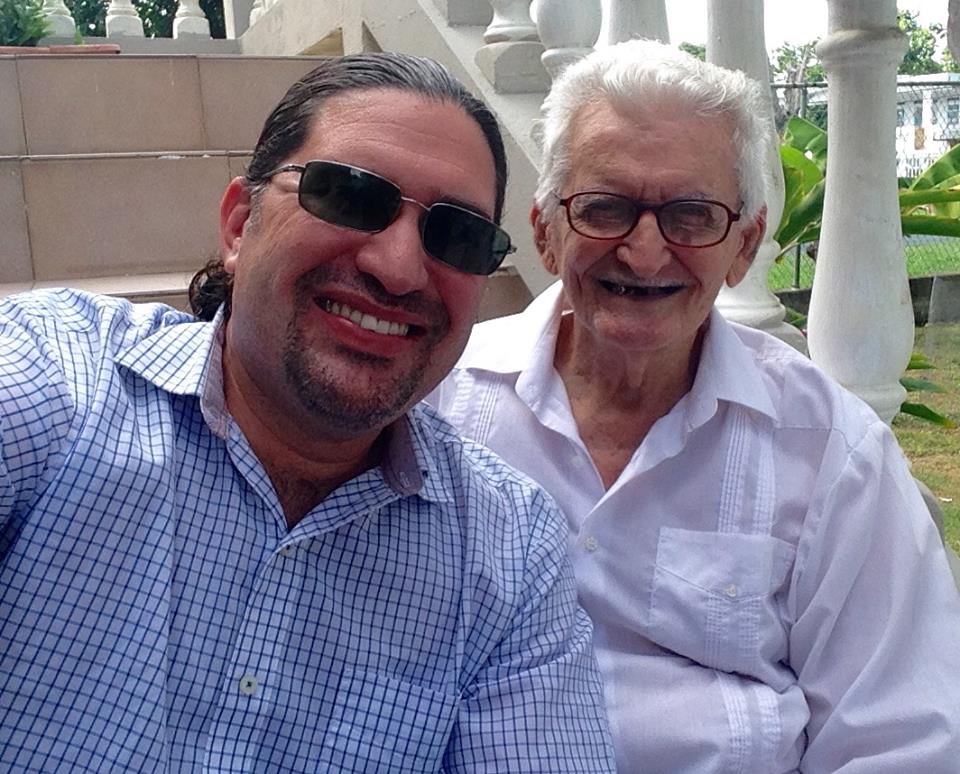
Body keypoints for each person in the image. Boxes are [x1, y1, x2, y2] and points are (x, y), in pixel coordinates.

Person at [0, 53, 616, 772]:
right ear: (239, 225)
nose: (398, 268)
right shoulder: (55, 381)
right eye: (350, 196)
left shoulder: (508, 551)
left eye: (456, 236)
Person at [430, 39, 960, 772]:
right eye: (605, 208)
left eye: (691, 215)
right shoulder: (438, 405)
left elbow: (900, 737)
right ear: (546, 233)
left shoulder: (830, 450)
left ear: (743, 247)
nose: (645, 252)